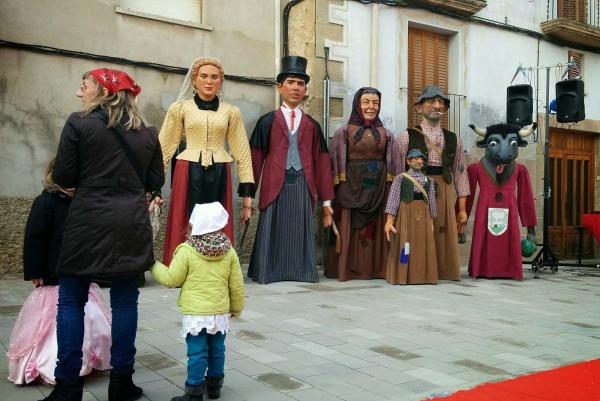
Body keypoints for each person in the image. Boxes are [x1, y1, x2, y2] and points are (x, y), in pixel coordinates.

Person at [46, 68, 165, 401]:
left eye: (83, 86)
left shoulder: (78, 123)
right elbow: (155, 181)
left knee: (71, 300)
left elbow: (64, 175)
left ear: (102, 91)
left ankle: (68, 387)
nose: (78, 93)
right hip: (130, 222)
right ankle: (121, 383)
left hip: (87, 220)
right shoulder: (148, 133)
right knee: (126, 302)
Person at [7, 159, 111, 386]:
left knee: (91, 320)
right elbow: (34, 238)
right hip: (53, 275)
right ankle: (49, 363)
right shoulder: (45, 202)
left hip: (81, 272)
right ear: (54, 176)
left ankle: (87, 359)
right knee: (51, 323)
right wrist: (35, 270)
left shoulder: (84, 202)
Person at [159, 57, 255, 265]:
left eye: (214, 77)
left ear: (220, 81)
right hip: (187, 168)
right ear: (194, 80)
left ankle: (216, 265)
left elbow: (242, 151)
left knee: (217, 217)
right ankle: (182, 266)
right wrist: (154, 187)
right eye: (204, 76)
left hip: (220, 169)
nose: (209, 81)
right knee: (186, 215)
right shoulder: (180, 108)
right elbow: (165, 146)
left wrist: (247, 195)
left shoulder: (231, 111)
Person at [248, 56, 335, 284]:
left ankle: (301, 271)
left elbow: (323, 164)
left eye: (300, 83)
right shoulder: (267, 122)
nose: (295, 88)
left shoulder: (313, 126)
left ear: (305, 89)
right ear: (280, 86)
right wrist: (248, 195)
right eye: (290, 82)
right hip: (274, 183)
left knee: (298, 227)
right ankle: (268, 271)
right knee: (274, 226)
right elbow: (255, 159)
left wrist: (326, 203)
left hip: (302, 184)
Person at [150, 202, 244, 401]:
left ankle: (194, 391)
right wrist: (236, 308)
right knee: (218, 349)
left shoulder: (187, 250)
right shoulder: (229, 251)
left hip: (196, 314)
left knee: (197, 352)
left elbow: (170, 279)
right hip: (219, 312)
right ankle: (215, 387)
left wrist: (152, 264)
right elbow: (236, 284)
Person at [396, 85, 469, 281]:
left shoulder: (454, 139)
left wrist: (462, 209)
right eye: (432, 101)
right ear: (419, 108)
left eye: (442, 103)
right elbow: (398, 172)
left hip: (444, 190)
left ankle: (444, 271)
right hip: (417, 190)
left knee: (443, 231)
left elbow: (460, 173)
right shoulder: (406, 137)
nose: (438, 105)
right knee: (418, 232)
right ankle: (416, 271)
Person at [327, 87, 399, 281]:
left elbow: (394, 165)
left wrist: (392, 191)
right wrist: (337, 190)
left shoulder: (387, 135)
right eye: (366, 102)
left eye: (375, 103)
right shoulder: (343, 132)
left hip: (379, 189)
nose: (371, 107)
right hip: (351, 188)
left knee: (375, 229)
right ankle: (349, 269)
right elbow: (334, 163)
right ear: (358, 105)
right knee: (352, 228)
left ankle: (376, 269)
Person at [466, 123, 537, 280]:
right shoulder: (475, 169)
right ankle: (482, 268)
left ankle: (509, 270)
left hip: (509, 211)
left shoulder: (520, 170)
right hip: (484, 211)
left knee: (508, 238)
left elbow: (526, 200)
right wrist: (460, 223)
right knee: (484, 238)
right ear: (484, 145)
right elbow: (467, 198)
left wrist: (531, 231)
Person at [384, 149, 438, 284]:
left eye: (421, 159)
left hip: (424, 217)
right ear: (408, 161)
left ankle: (425, 275)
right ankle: (403, 274)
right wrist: (389, 221)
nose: (420, 161)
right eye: (416, 158)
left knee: (424, 245)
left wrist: (431, 221)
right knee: (405, 244)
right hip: (406, 215)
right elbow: (393, 200)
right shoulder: (400, 178)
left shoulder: (429, 180)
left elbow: (432, 203)